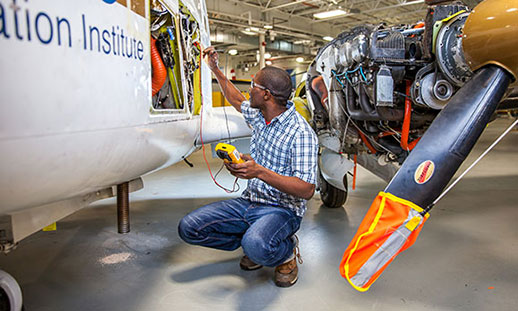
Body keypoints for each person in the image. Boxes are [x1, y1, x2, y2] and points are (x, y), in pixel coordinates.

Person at [177, 46, 318, 287]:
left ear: (267, 95)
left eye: (254, 85)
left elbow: (306, 189)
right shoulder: (261, 115)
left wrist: (259, 171)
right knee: (189, 228)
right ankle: (254, 244)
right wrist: (215, 70)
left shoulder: (301, 133)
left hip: (282, 211)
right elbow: (236, 99)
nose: (249, 89)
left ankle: (286, 252)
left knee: (257, 245)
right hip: (249, 201)